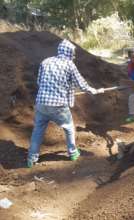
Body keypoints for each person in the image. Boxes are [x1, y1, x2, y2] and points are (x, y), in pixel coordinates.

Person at [27, 39, 104, 168]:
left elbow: (39, 82)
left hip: (41, 102)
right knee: (68, 128)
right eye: (73, 53)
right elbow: (81, 83)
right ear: (68, 52)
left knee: (38, 130)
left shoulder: (46, 61)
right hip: (58, 105)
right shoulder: (69, 64)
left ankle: (31, 158)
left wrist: (58, 89)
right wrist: (94, 90)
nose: (73, 56)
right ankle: (73, 153)